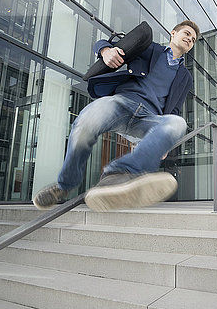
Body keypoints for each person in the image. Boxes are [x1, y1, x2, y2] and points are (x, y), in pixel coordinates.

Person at [33, 20, 199, 211]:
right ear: (173, 33)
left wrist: (164, 140)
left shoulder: (185, 77)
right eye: (186, 34)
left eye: (193, 39)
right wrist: (106, 51)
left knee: (178, 123)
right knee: (87, 120)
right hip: (121, 104)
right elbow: (105, 44)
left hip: (148, 119)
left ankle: (119, 174)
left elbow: (175, 108)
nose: (189, 39)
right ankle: (64, 185)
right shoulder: (149, 48)